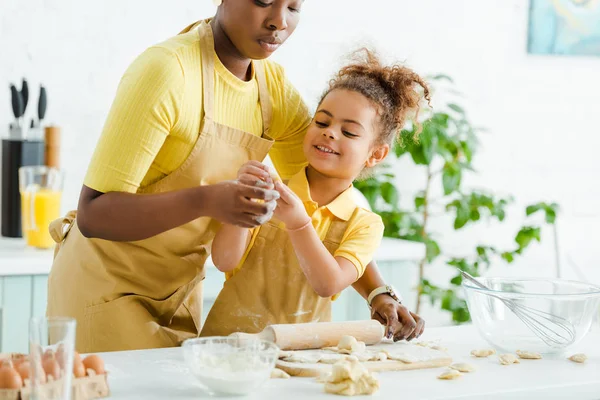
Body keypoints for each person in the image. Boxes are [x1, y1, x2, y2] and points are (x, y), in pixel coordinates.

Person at [46, 0, 424, 353]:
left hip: (179, 294)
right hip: (106, 288)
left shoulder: (271, 89)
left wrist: (378, 293)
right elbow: (94, 214)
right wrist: (208, 200)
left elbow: (324, 198)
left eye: (294, 6)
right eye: (263, 1)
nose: (280, 21)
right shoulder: (167, 71)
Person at [201, 49, 430, 336]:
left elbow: (328, 283)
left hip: (305, 353)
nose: (330, 133)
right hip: (227, 346)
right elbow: (224, 260)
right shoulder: (269, 192)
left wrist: (299, 223)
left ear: (375, 155)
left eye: (349, 132)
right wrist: (241, 201)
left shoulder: (364, 223)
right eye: (322, 122)